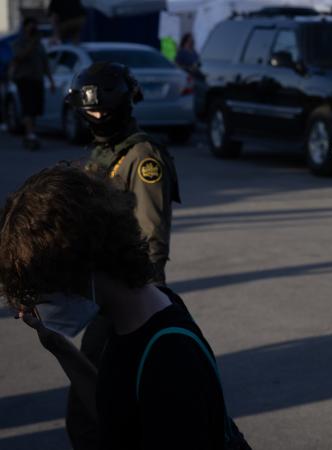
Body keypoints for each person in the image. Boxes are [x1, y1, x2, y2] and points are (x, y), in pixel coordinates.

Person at [0, 166, 238, 449]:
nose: (42, 301)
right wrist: (59, 347)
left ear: (80, 265)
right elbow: (115, 414)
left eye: (45, 289)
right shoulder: (133, 313)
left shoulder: (169, 359)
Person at [62, 61, 180, 449]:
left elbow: (152, 236)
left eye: (102, 111)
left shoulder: (142, 156)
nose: (95, 117)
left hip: (126, 295)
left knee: (93, 403)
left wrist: (137, 303)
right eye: (88, 112)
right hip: (101, 289)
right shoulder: (103, 150)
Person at [11, 17, 55, 150]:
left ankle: (31, 133)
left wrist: (51, 80)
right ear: (25, 28)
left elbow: (45, 63)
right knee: (28, 108)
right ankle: (30, 134)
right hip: (24, 79)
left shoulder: (39, 44)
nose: (33, 29)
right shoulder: (19, 42)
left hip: (37, 79)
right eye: (30, 26)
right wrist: (32, 43)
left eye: (34, 26)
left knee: (35, 109)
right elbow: (20, 56)